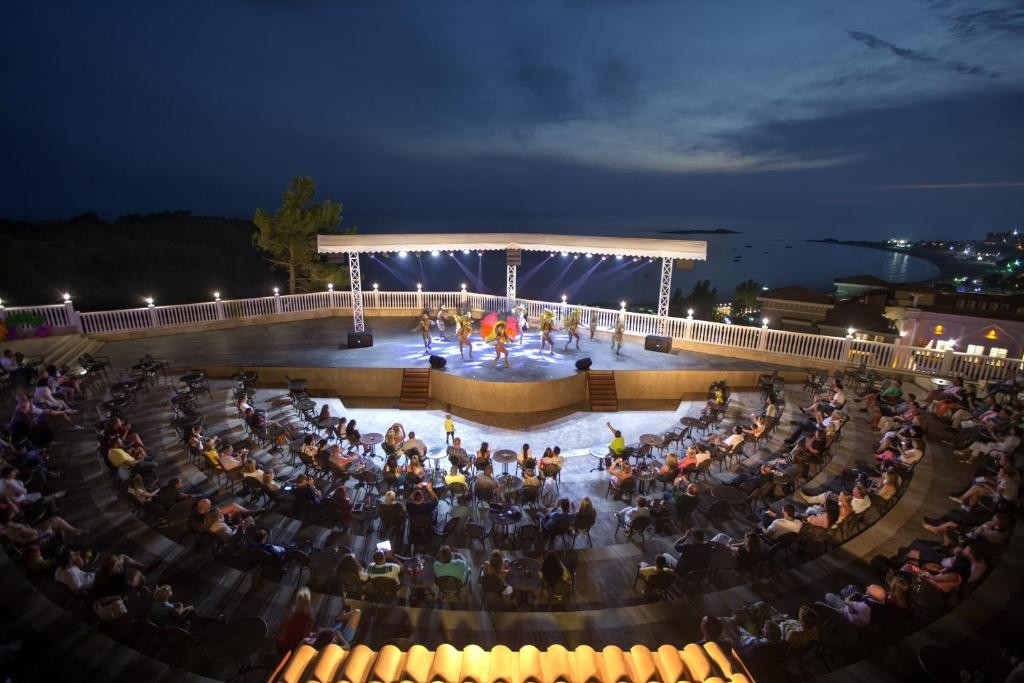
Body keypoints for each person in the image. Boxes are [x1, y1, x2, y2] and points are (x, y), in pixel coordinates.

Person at [274, 587, 315, 653]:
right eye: (299, 599)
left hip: (295, 648)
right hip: (285, 645)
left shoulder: (308, 618)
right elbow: (279, 629)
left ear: (307, 603)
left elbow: (306, 636)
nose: (300, 603)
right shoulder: (291, 613)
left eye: (303, 601)